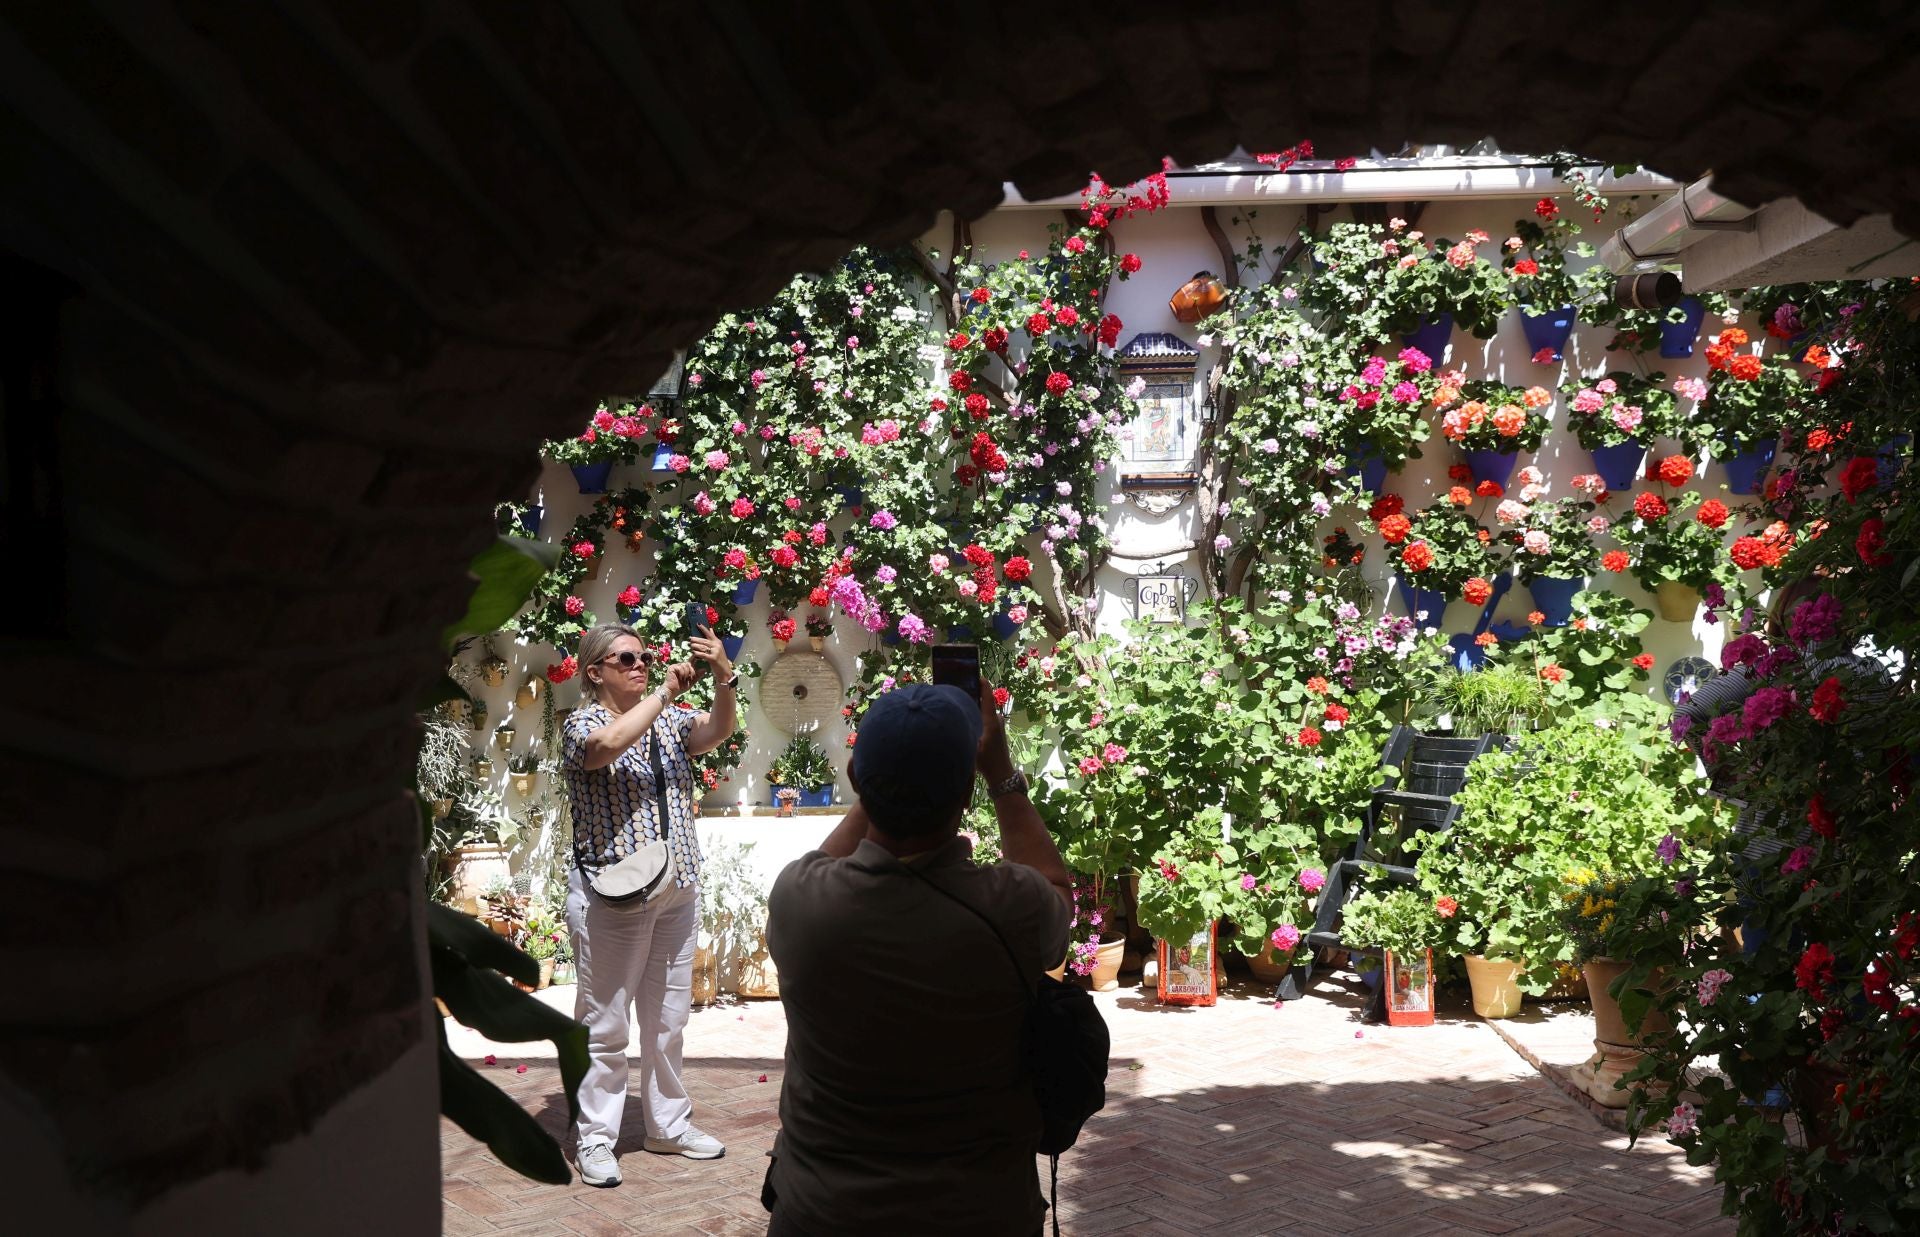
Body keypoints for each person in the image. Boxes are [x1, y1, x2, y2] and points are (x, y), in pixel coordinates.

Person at [763, 679, 1074, 1236]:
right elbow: (1056, 889)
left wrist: (884, 780)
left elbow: (829, 854)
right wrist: (999, 773)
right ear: (965, 793)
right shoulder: (1010, 906)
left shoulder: (801, 900)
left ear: (858, 781)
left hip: (824, 1214)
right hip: (979, 1215)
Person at [559, 621, 738, 1188]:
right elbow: (606, 748)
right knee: (605, 1026)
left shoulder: (667, 721)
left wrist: (724, 678)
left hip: (676, 891)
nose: (640, 664)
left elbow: (715, 731)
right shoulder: (583, 723)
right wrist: (662, 692)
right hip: (613, 898)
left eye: (643, 657)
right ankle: (595, 1137)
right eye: (625, 659)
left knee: (667, 1021)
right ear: (596, 673)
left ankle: (667, 1127)